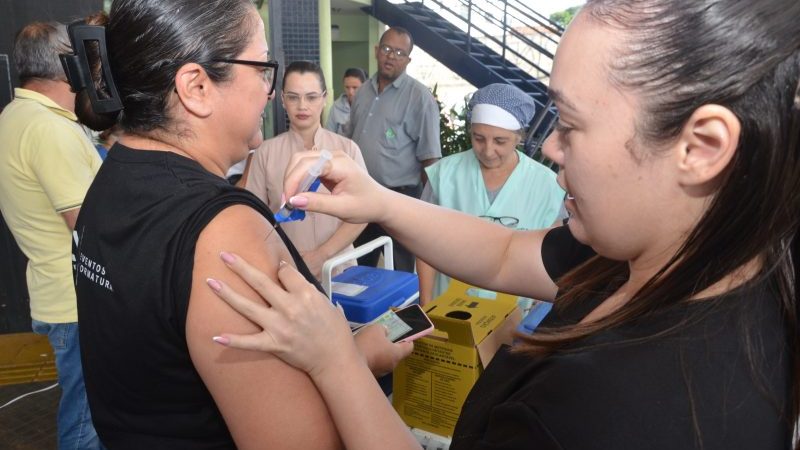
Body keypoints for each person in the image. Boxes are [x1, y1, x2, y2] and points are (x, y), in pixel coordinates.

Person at [207, 0, 800, 448]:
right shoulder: (687, 255)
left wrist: (336, 360)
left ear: (701, 146)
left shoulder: (607, 408)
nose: (553, 149)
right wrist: (380, 201)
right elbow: (504, 254)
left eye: (569, 123)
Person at [66, 2, 408, 448]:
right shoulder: (225, 232)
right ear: (197, 86)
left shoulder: (110, 178)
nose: (269, 92)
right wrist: (356, 359)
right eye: (263, 69)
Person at [0, 21, 104, 450]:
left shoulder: (16, 115)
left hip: (57, 293)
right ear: (69, 66)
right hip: (78, 299)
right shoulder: (48, 128)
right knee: (87, 423)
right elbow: (90, 224)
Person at [417, 83, 565, 305]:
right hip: (448, 307)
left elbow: (553, 259)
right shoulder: (444, 174)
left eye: (499, 141)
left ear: (519, 137)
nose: (487, 150)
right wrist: (426, 304)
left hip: (513, 314)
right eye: (478, 138)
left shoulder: (548, 185)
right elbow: (424, 243)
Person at [245, 61, 367, 279]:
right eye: (293, 97)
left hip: (341, 268)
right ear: (282, 99)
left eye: (311, 97)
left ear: (324, 97)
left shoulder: (347, 150)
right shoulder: (265, 153)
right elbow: (254, 219)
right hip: (286, 270)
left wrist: (322, 255)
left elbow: (362, 213)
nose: (302, 106)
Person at [348, 27, 442, 272]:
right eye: (387, 49)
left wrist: (425, 211)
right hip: (362, 195)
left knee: (401, 271)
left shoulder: (420, 98)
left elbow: (431, 159)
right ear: (377, 51)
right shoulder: (362, 92)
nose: (391, 56)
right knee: (358, 268)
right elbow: (349, 140)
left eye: (400, 52)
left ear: (408, 60)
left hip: (401, 198)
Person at [325, 67, 366, 136]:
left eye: (355, 87)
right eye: (347, 87)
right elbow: (328, 135)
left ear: (364, 86)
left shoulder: (372, 106)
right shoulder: (336, 107)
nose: (350, 92)